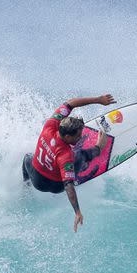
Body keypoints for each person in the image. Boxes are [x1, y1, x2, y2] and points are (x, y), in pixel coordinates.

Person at [22, 94, 116, 232]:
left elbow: (70, 103)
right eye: (78, 136)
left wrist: (98, 100)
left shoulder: (49, 125)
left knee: (27, 158)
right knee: (79, 155)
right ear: (67, 136)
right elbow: (68, 185)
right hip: (55, 186)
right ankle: (92, 155)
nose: (80, 137)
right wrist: (77, 211)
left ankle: (25, 185)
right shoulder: (66, 155)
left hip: (36, 178)